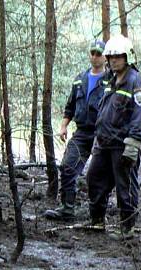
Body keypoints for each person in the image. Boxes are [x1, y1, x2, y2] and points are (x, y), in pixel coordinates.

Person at [86, 34, 141, 237]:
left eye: (118, 57)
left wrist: (133, 144)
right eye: (110, 57)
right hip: (104, 142)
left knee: (125, 187)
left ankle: (127, 228)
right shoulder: (110, 79)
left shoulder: (136, 81)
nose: (113, 60)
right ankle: (97, 221)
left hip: (123, 144)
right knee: (94, 178)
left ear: (127, 57)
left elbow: (140, 115)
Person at [45, 40, 109, 220]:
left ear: (105, 57)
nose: (95, 56)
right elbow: (70, 106)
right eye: (92, 53)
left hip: (101, 134)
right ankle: (67, 208)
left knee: (96, 174)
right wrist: (64, 125)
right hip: (81, 133)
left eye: (99, 53)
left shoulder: (110, 80)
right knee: (67, 166)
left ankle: (97, 216)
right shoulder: (80, 79)